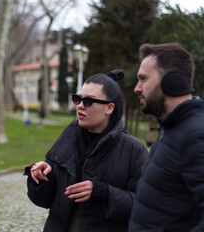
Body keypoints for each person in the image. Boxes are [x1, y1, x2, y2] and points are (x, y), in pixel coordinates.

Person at [24, 70, 148, 232]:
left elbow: (145, 206)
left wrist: (104, 193)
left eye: (89, 101)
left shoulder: (134, 150)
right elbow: (45, 201)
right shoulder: (67, 140)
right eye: (78, 99)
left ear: (109, 108)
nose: (80, 106)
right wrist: (41, 178)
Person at [129, 43, 204, 231]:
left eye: (143, 79)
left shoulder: (196, 135)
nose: (137, 88)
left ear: (172, 81)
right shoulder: (172, 128)